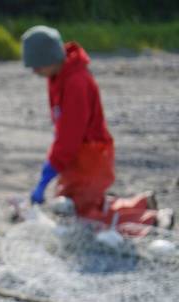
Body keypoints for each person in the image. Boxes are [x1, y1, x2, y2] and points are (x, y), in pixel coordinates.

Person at [22, 25, 173, 236]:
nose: (34, 71)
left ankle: (152, 220)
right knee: (85, 203)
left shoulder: (75, 82)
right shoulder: (57, 77)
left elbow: (69, 136)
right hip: (81, 154)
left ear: (50, 58)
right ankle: (141, 204)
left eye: (36, 65)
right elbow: (65, 132)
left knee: (82, 218)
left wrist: (48, 173)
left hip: (90, 156)